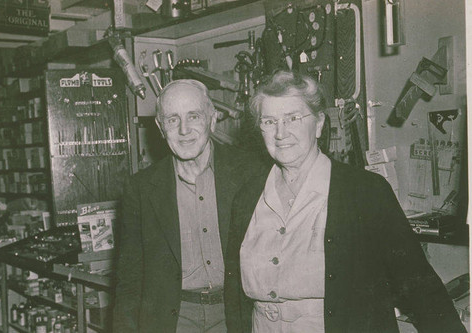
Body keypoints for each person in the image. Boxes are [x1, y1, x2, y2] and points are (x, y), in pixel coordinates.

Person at [224, 70, 466, 333]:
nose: (280, 133)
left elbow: (419, 286)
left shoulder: (365, 193)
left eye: (292, 118)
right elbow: (235, 298)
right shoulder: (247, 197)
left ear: (318, 124)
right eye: (269, 121)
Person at [113, 79, 261, 332]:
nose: (184, 130)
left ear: (212, 119)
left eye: (194, 116)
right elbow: (129, 278)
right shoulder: (140, 189)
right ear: (160, 127)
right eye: (172, 119)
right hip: (173, 317)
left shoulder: (251, 172)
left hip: (236, 314)